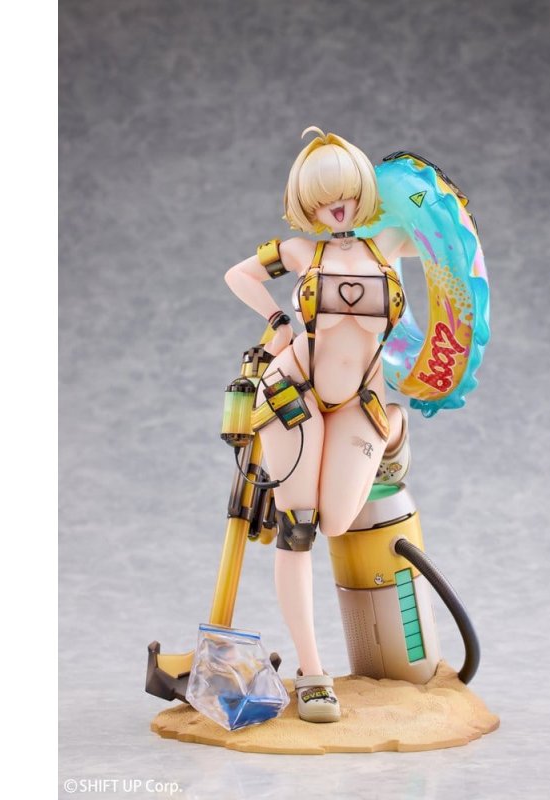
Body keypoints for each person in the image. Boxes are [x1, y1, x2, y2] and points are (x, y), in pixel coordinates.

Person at [224, 127, 417, 723]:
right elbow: (238, 275)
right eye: (322, 196)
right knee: (300, 526)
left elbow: (450, 242)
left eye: (346, 191)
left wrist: (427, 192)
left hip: (363, 400)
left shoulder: (391, 244)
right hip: (292, 393)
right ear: (305, 202)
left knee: (338, 519)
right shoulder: (298, 252)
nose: (337, 205)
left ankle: (394, 433)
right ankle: (313, 674)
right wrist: (279, 320)